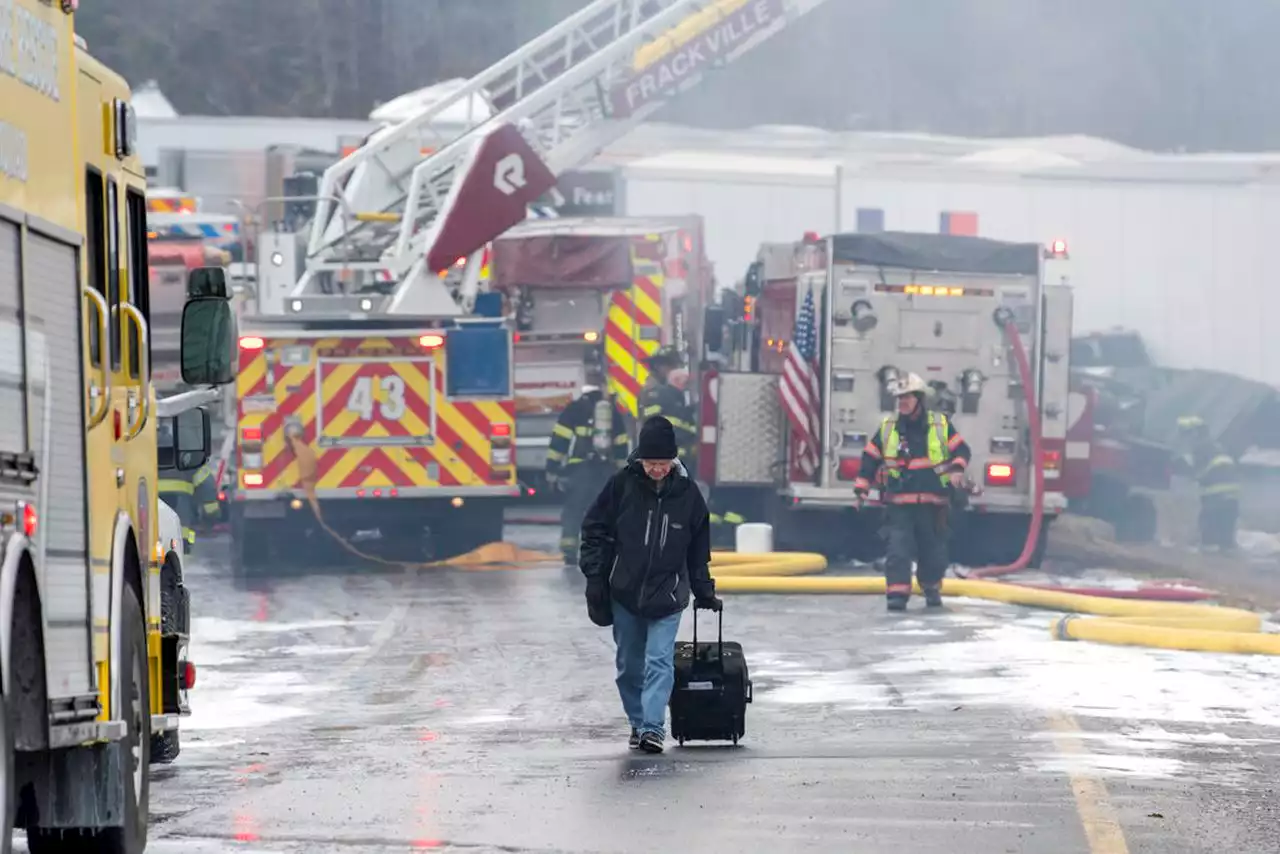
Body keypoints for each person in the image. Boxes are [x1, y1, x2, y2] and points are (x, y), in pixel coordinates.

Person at [579, 415, 721, 754]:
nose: (656, 470)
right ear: (639, 459)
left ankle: (654, 728)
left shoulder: (689, 495)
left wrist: (704, 590)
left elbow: (698, 548)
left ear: (673, 461)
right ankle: (638, 722)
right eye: (650, 463)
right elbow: (594, 529)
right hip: (625, 592)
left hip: (668, 594)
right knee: (630, 665)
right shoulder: (621, 485)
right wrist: (596, 577)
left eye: (662, 463)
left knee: (659, 660)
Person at [852, 372, 971, 611]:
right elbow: (870, 458)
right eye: (899, 399)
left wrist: (957, 470)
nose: (902, 403)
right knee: (898, 550)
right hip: (900, 504)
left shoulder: (940, 425)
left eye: (907, 398)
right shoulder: (888, 429)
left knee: (933, 551)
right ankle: (897, 596)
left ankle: (931, 587)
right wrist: (861, 488)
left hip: (933, 504)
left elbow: (962, 450)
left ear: (920, 399)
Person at [545, 369, 630, 563]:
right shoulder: (612, 412)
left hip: (579, 470)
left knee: (574, 508)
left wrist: (552, 470)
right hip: (605, 469)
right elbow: (621, 443)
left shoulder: (574, 409)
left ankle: (569, 549)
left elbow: (559, 442)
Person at [1178, 416, 1240, 551]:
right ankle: (1228, 558)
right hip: (1232, 497)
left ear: (1194, 434)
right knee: (1226, 535)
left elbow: (1198, 474)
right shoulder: (1215, 446)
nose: (1185, 439)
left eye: (1186, 434)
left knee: (1208, 535)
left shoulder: (1201, 448)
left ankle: (1206, 560)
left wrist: (1184, 468)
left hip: (1215, 496)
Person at [639, 347, 697, 462]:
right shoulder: (657, 393)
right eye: (672, 366)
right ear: (658, 367)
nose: (675, 370)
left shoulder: (666, 391)